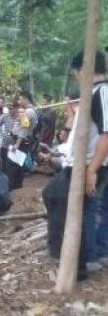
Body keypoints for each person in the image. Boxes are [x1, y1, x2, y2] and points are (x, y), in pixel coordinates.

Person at [42, 51, 108, 281]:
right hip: (81, 164)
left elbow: (106, 135)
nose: (76, 76)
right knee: (61, 199)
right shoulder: (91, 94)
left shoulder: (102, 92)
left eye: (76, 71)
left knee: (75, 208)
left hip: (89, 165)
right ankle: (79, 258)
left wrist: (92, 171)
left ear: (84, 69)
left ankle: (80, 262)